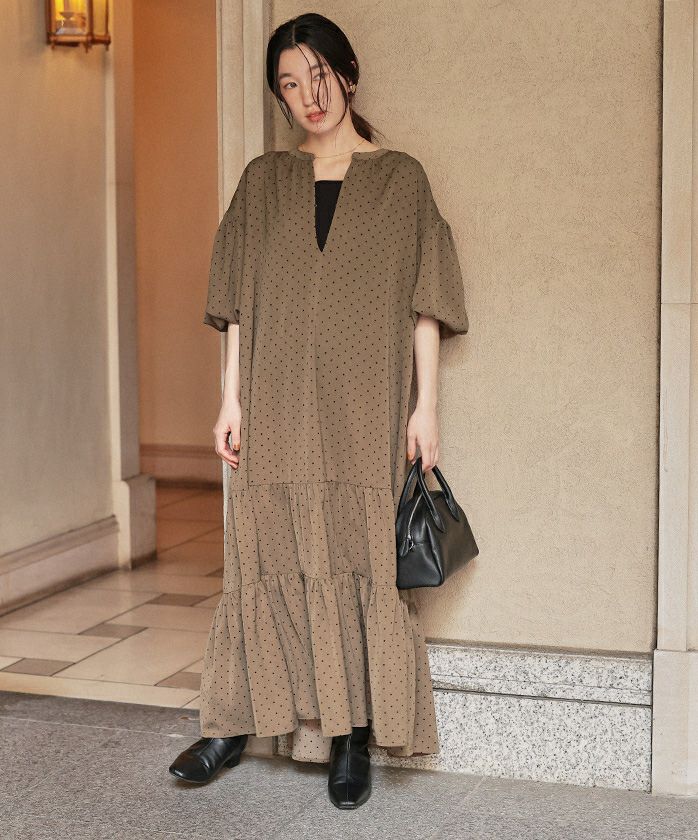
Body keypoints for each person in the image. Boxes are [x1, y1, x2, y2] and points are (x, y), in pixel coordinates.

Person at [169, 12, 469, 809]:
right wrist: (230, 397)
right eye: (289, 84)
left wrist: (426, 408)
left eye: (320, 75)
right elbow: (236, 304)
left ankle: (352, 736)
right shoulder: (263, 182)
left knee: (356, 555)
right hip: (272, 403)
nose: (309, 95)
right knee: (262, 556)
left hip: (363, 408)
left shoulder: (402, 181)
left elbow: (426, 306)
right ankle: (232, 724)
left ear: (348, 74)